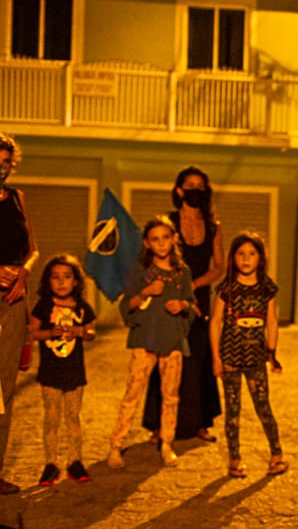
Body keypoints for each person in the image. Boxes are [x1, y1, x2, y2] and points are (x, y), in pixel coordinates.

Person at [144, 166, 223, 444]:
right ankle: (158, 425)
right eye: (190, 185)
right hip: (167, 297)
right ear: (179, 190)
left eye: (200, 185)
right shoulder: (169, 223)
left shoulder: (214, 227)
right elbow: (155, 257)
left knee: (198, 358)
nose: (195, 190)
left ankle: (201, 423)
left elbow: (219, 267)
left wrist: (193, 286)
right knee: (164, 358)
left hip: (198, 298)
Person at [107, 216, 195, 469]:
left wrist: (182, 305)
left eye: (166, 237)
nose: (162, 244)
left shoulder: (182, 272)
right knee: (132, 392)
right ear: (147, 243)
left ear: (174, 239)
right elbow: (126, 305)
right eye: (155, 239)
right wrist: (146, 292)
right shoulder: (140, 271)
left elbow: (190, 304)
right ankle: (116, 444)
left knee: (170, 396)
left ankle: (167, 443)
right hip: (145, 339)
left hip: (173, 341)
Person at [209, 231, 286, 479]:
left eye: (252, 253)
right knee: (233, 410)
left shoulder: (267, 288)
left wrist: (272, 353)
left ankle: (277, 456)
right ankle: (235, 460)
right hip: (230, 358)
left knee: (263, 407)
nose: (246, 259)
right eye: (240, 253)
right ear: (233, 258)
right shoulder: (226, 289)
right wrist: (216, 358)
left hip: (256, 360)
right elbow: (216, 322)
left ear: (260, 258)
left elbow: (271, 321)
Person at [29, 254, 96, 485]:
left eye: (67, 277)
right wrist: (50, 333)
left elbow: (91, 333)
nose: (61, 282)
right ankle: (51, 464)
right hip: (50, 372)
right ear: (48, 282)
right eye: (55, 277)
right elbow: (31, 332)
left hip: (74, 371)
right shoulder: (44, 306)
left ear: (76, 281)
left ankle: (75, 462)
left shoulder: (82, 307)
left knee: (73, 417)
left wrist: (80, 332)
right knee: (51, 418)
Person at [0, 132, 39, 495]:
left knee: (5, 389)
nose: (1, 168)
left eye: (6, 162)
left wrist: (24, 271)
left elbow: (33, 249)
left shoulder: (17, 199)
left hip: (13, 299)